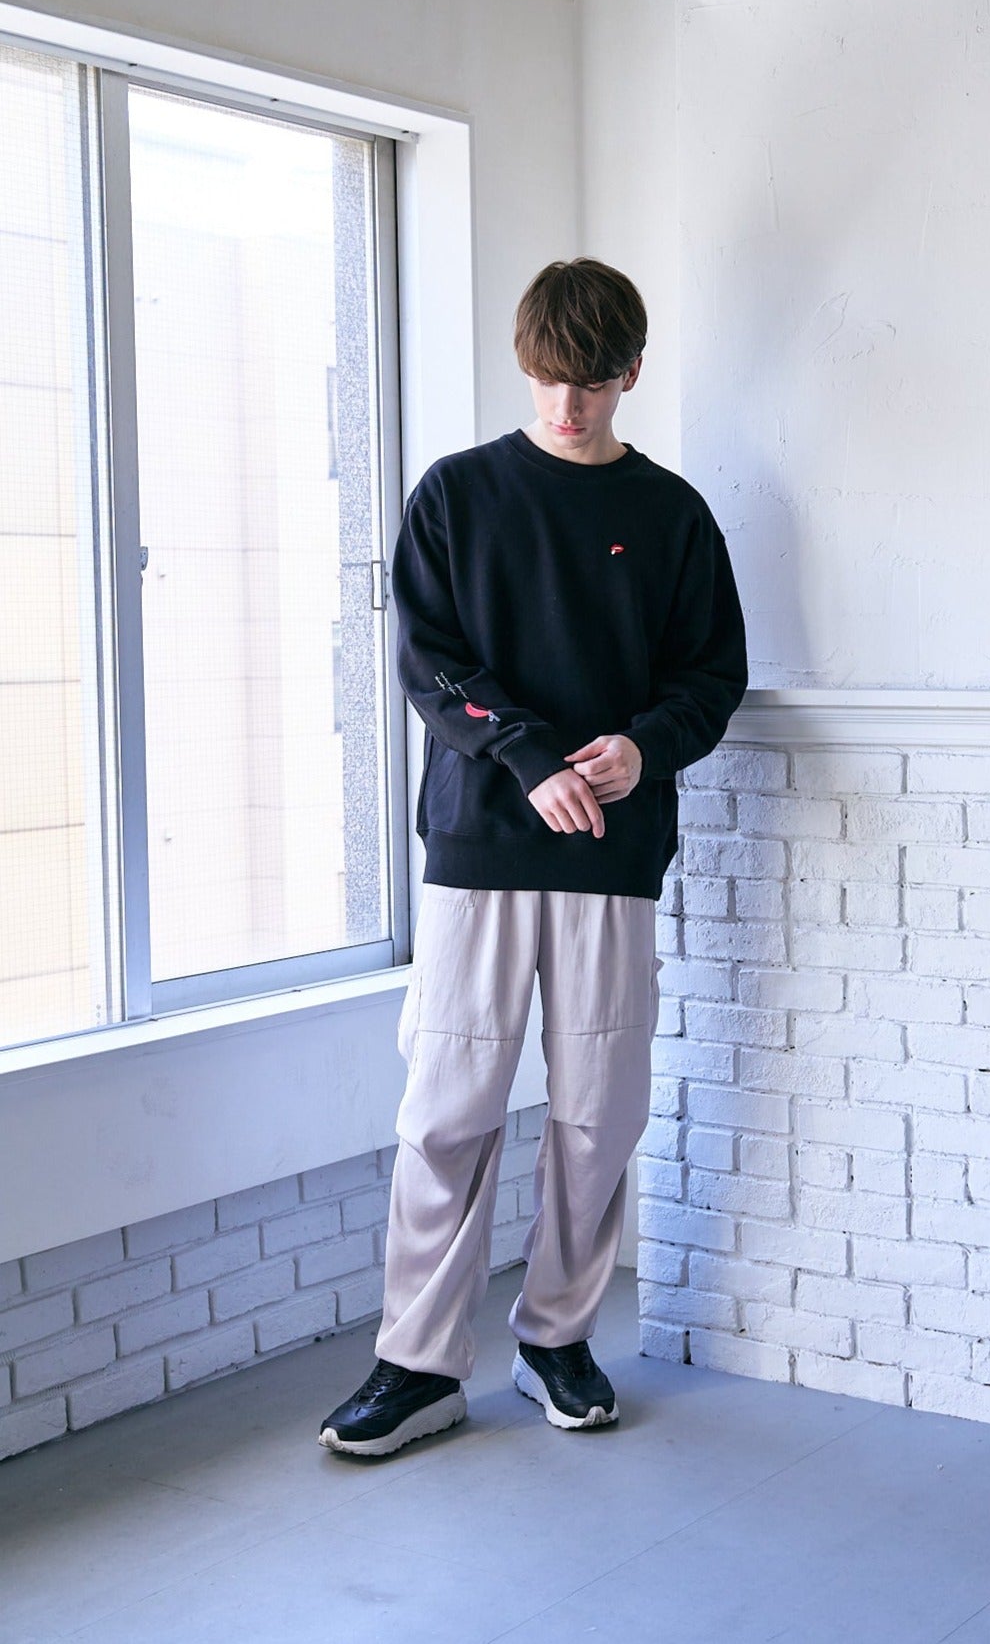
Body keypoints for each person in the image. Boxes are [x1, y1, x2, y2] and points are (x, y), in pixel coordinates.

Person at [318, 257, 747, 1456]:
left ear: (631, 374)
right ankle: (417, 1363)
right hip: (481, 844)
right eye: (552, 379)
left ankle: (557, 1336)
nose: (568, 405)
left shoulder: (671, 515)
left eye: (592, 383)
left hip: (611, 852)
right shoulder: (457, 495)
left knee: (599, 1113)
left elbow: (711, 676)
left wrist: (641, 748)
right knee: (447, 1111)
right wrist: (528, 756)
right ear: (527, 365)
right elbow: (429, 662)